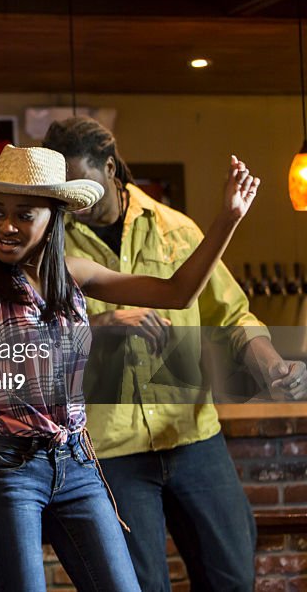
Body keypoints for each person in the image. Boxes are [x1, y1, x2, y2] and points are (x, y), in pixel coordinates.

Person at [0, 144, 260, 592]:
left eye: (24, 214)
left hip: (77, 461)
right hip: (5, 466)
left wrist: (229, 218)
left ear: (55, 216)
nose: (6, 225)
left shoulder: (73, 273)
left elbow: (177, 292)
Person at [43, 116, 307, 592]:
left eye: (81, 184)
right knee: (137, 585)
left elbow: (232, 316)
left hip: (193, 436)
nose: (73, 200)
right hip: (110, 450)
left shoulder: (175, 229)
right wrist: (100, 326)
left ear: (109, 167)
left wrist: (272, 365)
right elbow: (36, 342)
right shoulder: (51, 245)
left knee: (231, 576)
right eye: (63, 189)